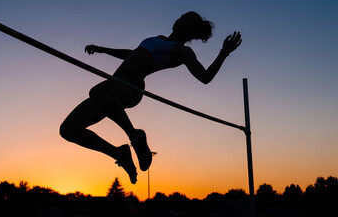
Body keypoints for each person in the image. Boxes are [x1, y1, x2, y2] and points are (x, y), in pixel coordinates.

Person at [60, 11, 242, 184]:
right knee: (68, 130)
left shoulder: (183, 52)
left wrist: (224, 53)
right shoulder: (159, 39)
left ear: (192, 32)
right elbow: (132, 54)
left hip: (131, 88)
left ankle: (135, 135)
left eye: (188, 21)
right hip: (114, 87)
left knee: (97, 91)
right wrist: (101, 49)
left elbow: (205, 77)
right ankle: (119, 154)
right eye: (182, 17)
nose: (181, 20)